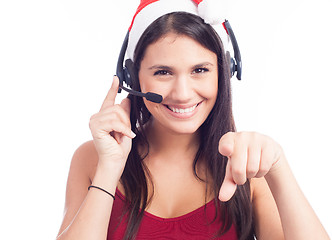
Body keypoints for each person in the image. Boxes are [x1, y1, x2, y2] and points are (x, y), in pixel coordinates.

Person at [56, 0, 329, 239]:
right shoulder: (93, 159)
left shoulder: (247, 169)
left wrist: (278, 168)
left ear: (224, 73)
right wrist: (109, 169)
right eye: (163, 72)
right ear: (132, 77)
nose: (183, 94)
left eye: (200, 70)